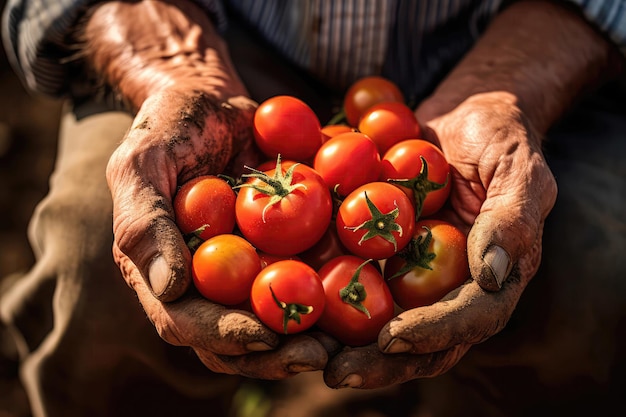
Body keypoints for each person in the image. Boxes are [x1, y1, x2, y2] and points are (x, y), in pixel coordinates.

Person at [1, 0, 625, 416]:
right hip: (207, 43)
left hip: (512, 51)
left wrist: (510, 82)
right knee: (88, 252)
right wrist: (177, 70)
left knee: (591, 276)